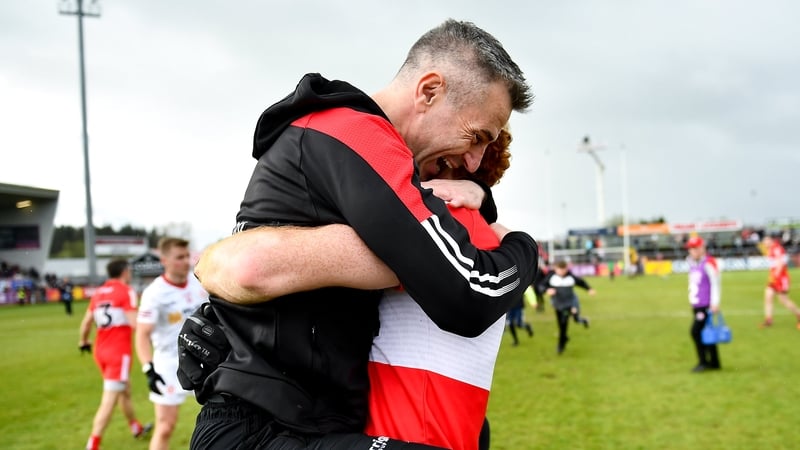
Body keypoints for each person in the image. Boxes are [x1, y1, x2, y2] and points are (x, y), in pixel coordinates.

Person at [179, 19, 537, 449]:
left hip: (307, 425)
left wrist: (475, 193)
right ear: (429, 90)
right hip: (265, 430)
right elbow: (467, 294)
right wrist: (523, 247)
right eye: (476, 136)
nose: (476, 161)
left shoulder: (338, 139)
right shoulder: (353, 131)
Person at [189, 127, 515, 450]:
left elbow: (258, 266)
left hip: (411, 429)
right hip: (444, 425)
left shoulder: (439, 225)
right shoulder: (478, 231)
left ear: (450, 160)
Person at [135, 237, 206, 450]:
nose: (185, 261)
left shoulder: (199, 283)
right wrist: (148, 369)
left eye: (187, 256)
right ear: (164, 260)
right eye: (179, 257)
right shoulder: (154, 293)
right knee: (165, 426)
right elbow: (142, 334)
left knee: (222, 420)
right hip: (168, 364)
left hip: (205, 360)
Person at [78, 258, 151, 450]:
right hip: (118, 353)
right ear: (125, 271)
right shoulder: (126, 291)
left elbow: (86, 323)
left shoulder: (98, 293)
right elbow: (135, 323)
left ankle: (135, 427)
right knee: (109, 399)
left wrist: (83, 341)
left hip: (100, 351)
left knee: (124, 390)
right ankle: (93, 443)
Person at [538, 260, 596, 354]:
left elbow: (581, 282)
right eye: (559, 270)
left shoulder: (570, 277)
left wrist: (589, 289)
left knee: (564, 323)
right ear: (555, 269)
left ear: (566, 269)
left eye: (563, 269)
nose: (561, 272)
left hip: (569, 304)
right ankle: (564, 338)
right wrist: (547, 290)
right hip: (558, 304)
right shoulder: (551, 277)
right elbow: (541, 286)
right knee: (561, 325)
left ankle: (560, 345)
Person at [685, 236, 722, 372]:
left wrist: (715, 302)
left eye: (695, 248)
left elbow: (715, 283)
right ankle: (715, 362)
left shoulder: (709, 263)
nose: (692, 251)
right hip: (697, 303)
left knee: (695, 331)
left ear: (702, 248)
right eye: (691, 248)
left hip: (706, 304)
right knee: (708, 332)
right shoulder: (692, 263)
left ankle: (703, 361)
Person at [759, 234, 800, 329]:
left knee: (783, 300)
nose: (764, 243)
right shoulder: (771, 248)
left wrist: (776, 276)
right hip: (773, 277)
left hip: (780, 278)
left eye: (765, 241)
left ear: (770, 240)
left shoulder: (776, 248)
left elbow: (780, 263)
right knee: (768, 297)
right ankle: (768, 319)